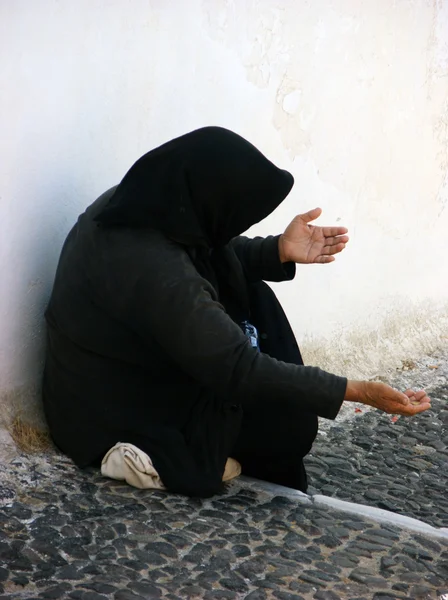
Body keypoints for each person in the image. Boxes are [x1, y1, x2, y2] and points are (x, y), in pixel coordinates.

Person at [42, 126, 431, 498]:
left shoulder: (148, 201)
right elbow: (237, 366)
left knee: (250, 292)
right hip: (106, 409)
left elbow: (207, 250)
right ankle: (165, 457)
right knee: (286, 424)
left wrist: (277, 249)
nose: (233, 227)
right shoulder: (154, 269)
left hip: (131, 361)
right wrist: (356, 391)